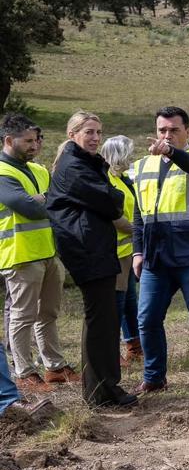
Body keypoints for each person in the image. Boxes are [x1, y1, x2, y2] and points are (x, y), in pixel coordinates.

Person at [131, 106, 189, 395]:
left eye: (174, 130)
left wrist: (171, 153)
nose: (167, 135)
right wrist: (138, 251)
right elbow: (139, 214)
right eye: (162, 130)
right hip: (155, 256)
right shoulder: (142, 166)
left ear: (188, 132)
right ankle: (154, 378)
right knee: (146, 319)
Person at [45, 112, 136, 407]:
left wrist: (110, 195)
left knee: (105, 321)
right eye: (89, 132)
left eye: (99, 132)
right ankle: (101, 392)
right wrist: (111, 196)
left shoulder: (84, 163)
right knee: (101, 322)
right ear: (73, 135)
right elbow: (112, 200)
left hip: (95, 249)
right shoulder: (74, 167)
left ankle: (104, 389)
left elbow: (109, 197)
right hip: (87, 251)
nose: (96, 138)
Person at [0, 113, 76, 392]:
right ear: (9, 140)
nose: (35, 145)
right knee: (22, 316)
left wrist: (45, 199)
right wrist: (47, 199)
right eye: (28, 141)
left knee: (49, 314)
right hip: (19, 255)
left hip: (47, 253)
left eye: (37, 140)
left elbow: (58, 202)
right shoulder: (2, 172)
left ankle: (54, 367)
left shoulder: (40, 170)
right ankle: (24, 372)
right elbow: (30, 209)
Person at [99, 136, 141, 366]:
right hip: (115, 251)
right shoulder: (107, 179)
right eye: (129, 154)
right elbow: (114, 216)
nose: (131, 158)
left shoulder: (122, 179)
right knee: (116, 303)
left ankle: (134, 345)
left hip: (127, 250)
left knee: (129, 302)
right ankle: (110, 351)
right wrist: (138, 230)